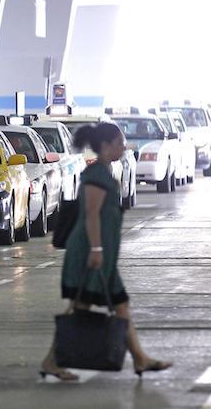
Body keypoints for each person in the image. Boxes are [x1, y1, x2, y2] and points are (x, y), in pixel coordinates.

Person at [40, 122, 172, 381]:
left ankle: (140, 359)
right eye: (119, 143)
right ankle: (51, 361)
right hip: (90, 252)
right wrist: (97, 250)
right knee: (81, 306)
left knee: (117, 306)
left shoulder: (106, 171)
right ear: (105, 146)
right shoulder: (96, 175)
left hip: (102, 255)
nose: (124, 147)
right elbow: (90, 215)